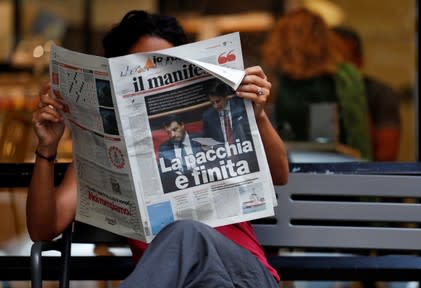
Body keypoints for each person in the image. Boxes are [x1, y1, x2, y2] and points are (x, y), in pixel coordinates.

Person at [27, 10, 289, 288]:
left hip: (246, 275)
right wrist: (47, 148)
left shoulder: (213, 123)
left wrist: (258, 116)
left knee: (187, 233)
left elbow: (280, 175)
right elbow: (43, 228)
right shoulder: (106, 150)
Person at [262, 8, 373, 160]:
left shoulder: (271, 79)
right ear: (325, 36)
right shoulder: (344, 77)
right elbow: (359, 133)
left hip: (286, 167)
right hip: (338, 167)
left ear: (280, 38)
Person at [332, 25, 401, 161]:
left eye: (344, 60)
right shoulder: (319, 89)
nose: (337, 68)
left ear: (360, 61)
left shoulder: (380, 94)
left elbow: (386, 155)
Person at [157, 114, 203, 193]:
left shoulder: (199, 139)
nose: (172, 135)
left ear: (182, 125)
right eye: (169, 132)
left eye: (175, 129)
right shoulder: (164, 148)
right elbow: (163, 176)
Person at [202, 78, 251, 144]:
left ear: (225, 96)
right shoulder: (208, 116)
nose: (215, 106)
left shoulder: (241, 106)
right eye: (212, 103)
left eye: (218, 101)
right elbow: (206, 138)